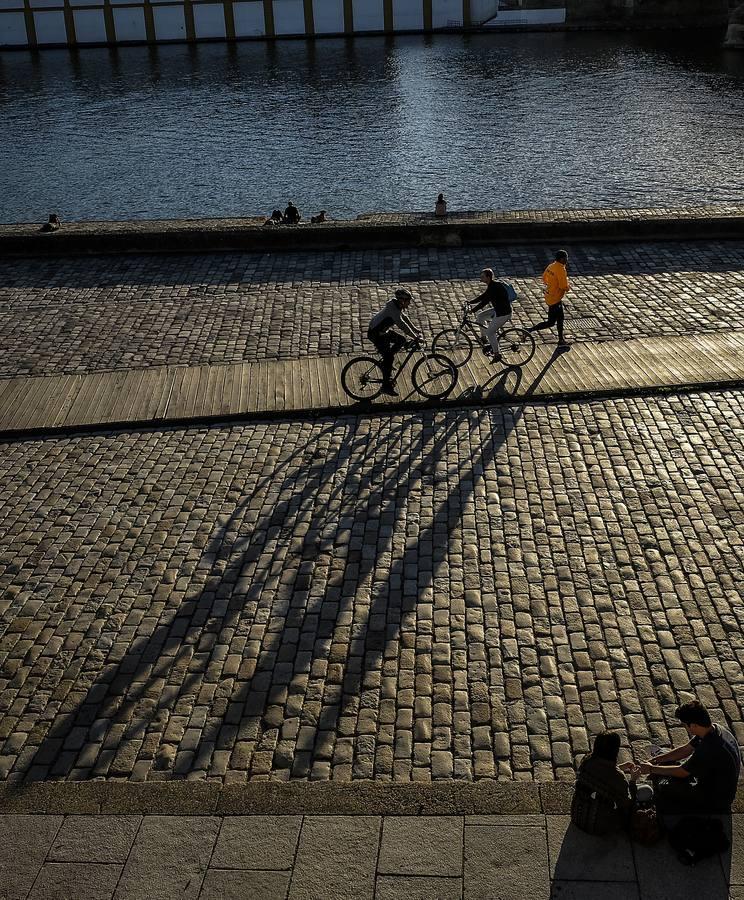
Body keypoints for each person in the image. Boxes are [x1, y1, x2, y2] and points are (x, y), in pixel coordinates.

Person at [626, 701, 741, 815]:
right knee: (671, 763)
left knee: (664, 787)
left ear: (693, 725)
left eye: (685, 725)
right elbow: (686, 749)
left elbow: (682, 772)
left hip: (715, 799)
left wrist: (651, 769)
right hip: (715, 778)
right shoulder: (715, 729)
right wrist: (656, 760)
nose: (685, 728)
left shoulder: (708, 748)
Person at [571, 732, 640, 834]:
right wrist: (633, 780)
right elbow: (627, 803)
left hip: (577, 815)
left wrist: (619, 767)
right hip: (598, 826)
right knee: (645, 791)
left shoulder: (586, 760)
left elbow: (601, 775)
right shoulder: (618, 777)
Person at [367, 288, 423, 396]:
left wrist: (415, 329)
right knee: (389, 358)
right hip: (376, 334)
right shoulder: (393, 309)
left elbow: (404, 318)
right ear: (402, 300)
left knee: (402, 340)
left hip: (383, 332)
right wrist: (415, 337)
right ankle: (385, 387)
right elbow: (402, 325)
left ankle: (386, 363)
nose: (409, 303)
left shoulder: (397, 306)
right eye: (408, 301)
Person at [468, 268, 514, 362]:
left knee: (490, 332)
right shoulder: (492, 285)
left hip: (503, 313)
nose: (481, 278)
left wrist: (472, 310)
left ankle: (497, 354)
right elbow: (484, 296)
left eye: (482, 276)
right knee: (480, 316)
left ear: (488, 277)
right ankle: (484, 339)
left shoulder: (494, 287)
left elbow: (484, 302)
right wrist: (470, 302)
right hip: (498, 310)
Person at [530, 249, 570, 346]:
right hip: (555, 299)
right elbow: (563, 286)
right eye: (566, 258)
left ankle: (561, 340)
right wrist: (568, 287)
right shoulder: (561, 269)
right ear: (561, 259)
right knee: (551, 323)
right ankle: (529, 330)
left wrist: (552, 284)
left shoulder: (551, 266)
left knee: (560, 319)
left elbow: (544, 278)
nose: (567, 260)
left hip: (549, 295)